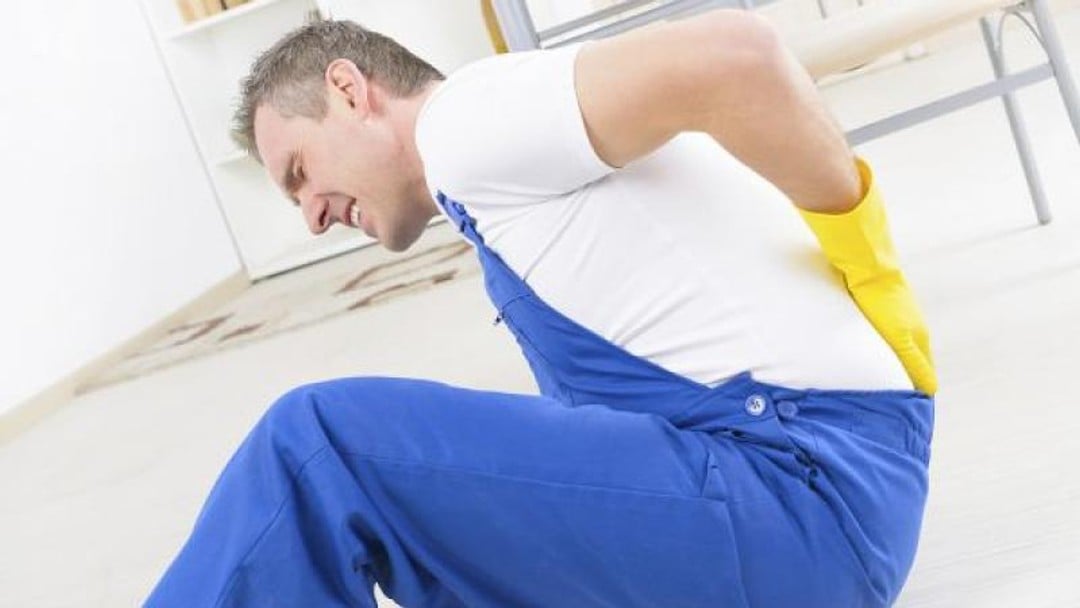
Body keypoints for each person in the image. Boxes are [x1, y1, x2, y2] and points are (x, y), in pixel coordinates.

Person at [145, 10, 936, 608]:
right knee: (438, 541)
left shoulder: (466, 124)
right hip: (817, 507)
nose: (312, 215)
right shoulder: (499, 185)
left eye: (299, 172)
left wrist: (861, 243)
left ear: (349, 92)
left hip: (801, 502)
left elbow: (736, 56)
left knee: (319, 444)